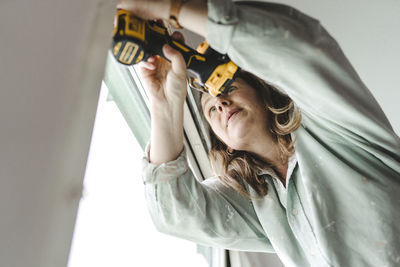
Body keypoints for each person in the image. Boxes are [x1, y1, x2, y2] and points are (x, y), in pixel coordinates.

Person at [118, 0, 400, 266]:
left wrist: (172, 7)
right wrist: (164, 106)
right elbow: (176, 215)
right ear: (225, 144)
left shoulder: (337, 130)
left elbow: (302, 47)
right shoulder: (260, 205)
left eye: (226, 88)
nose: (220, 103)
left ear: (262, 91)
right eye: (210, 111)